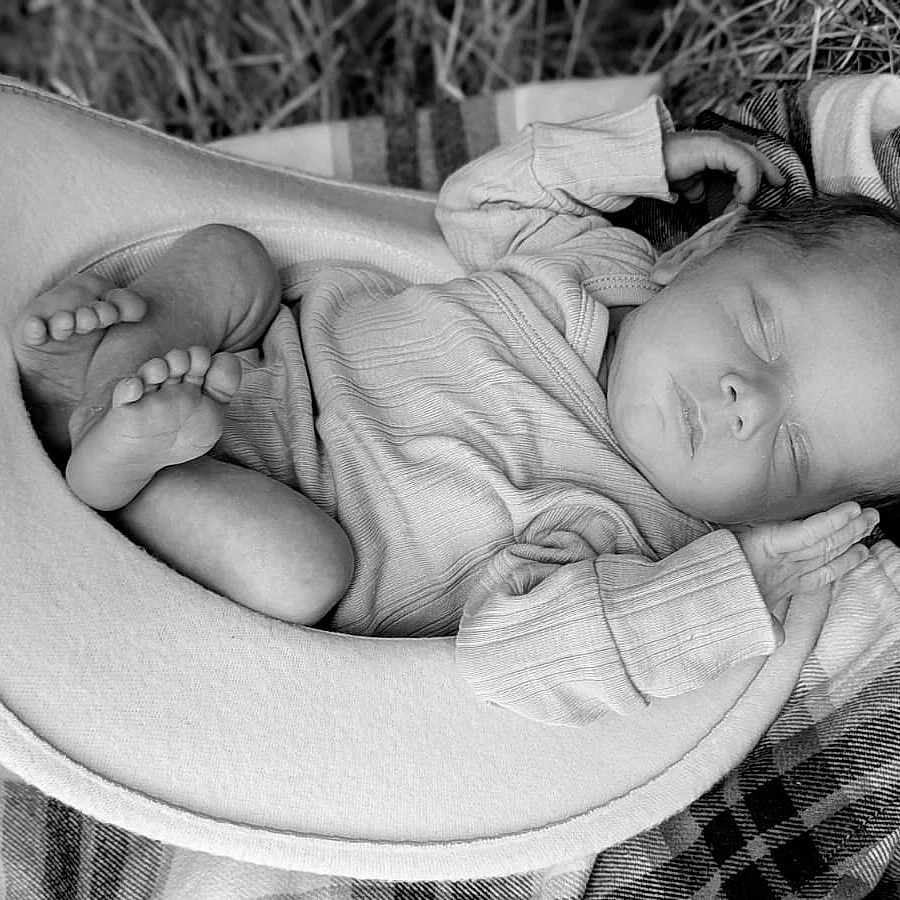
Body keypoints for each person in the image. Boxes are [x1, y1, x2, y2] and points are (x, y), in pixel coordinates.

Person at [11, 95, 885, 724]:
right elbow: (479, 202)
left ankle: (126, 471)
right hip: (265, 357)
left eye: (795, 452)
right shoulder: (596, 261)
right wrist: (639, 158)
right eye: (760, 327)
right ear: (693, 254)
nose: (748, 402)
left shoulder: (637, 540)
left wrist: (733, 589)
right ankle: (113, 374)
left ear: (783, 514)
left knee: (300, 573)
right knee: (231, 259)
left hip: (274, 511)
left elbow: (518, 660)